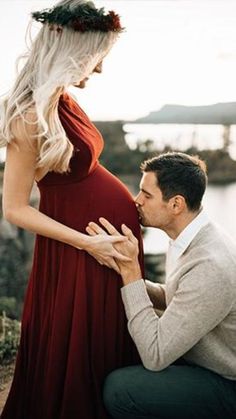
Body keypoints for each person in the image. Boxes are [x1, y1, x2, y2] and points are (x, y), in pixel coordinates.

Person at [0, 1, 144, 418]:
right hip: (79, 251)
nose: (97, 70)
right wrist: (87, 244)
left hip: (102, 248)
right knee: (81, 351)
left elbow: (85, 172)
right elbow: (14, 209)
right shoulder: (28, 116)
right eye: (96, 59)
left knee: (104, 341)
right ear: (70, 55)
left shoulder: (63, 100)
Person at [87, 152, 236, 419]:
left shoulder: (210, 264)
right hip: (207, 363)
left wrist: (132, 272)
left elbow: (155, 356)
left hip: (228, 384)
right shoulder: (191, 236)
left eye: (146, 194)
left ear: (176, 204)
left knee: (120, 390)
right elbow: (176, 297)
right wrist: (123, 271)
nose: (137, 200)